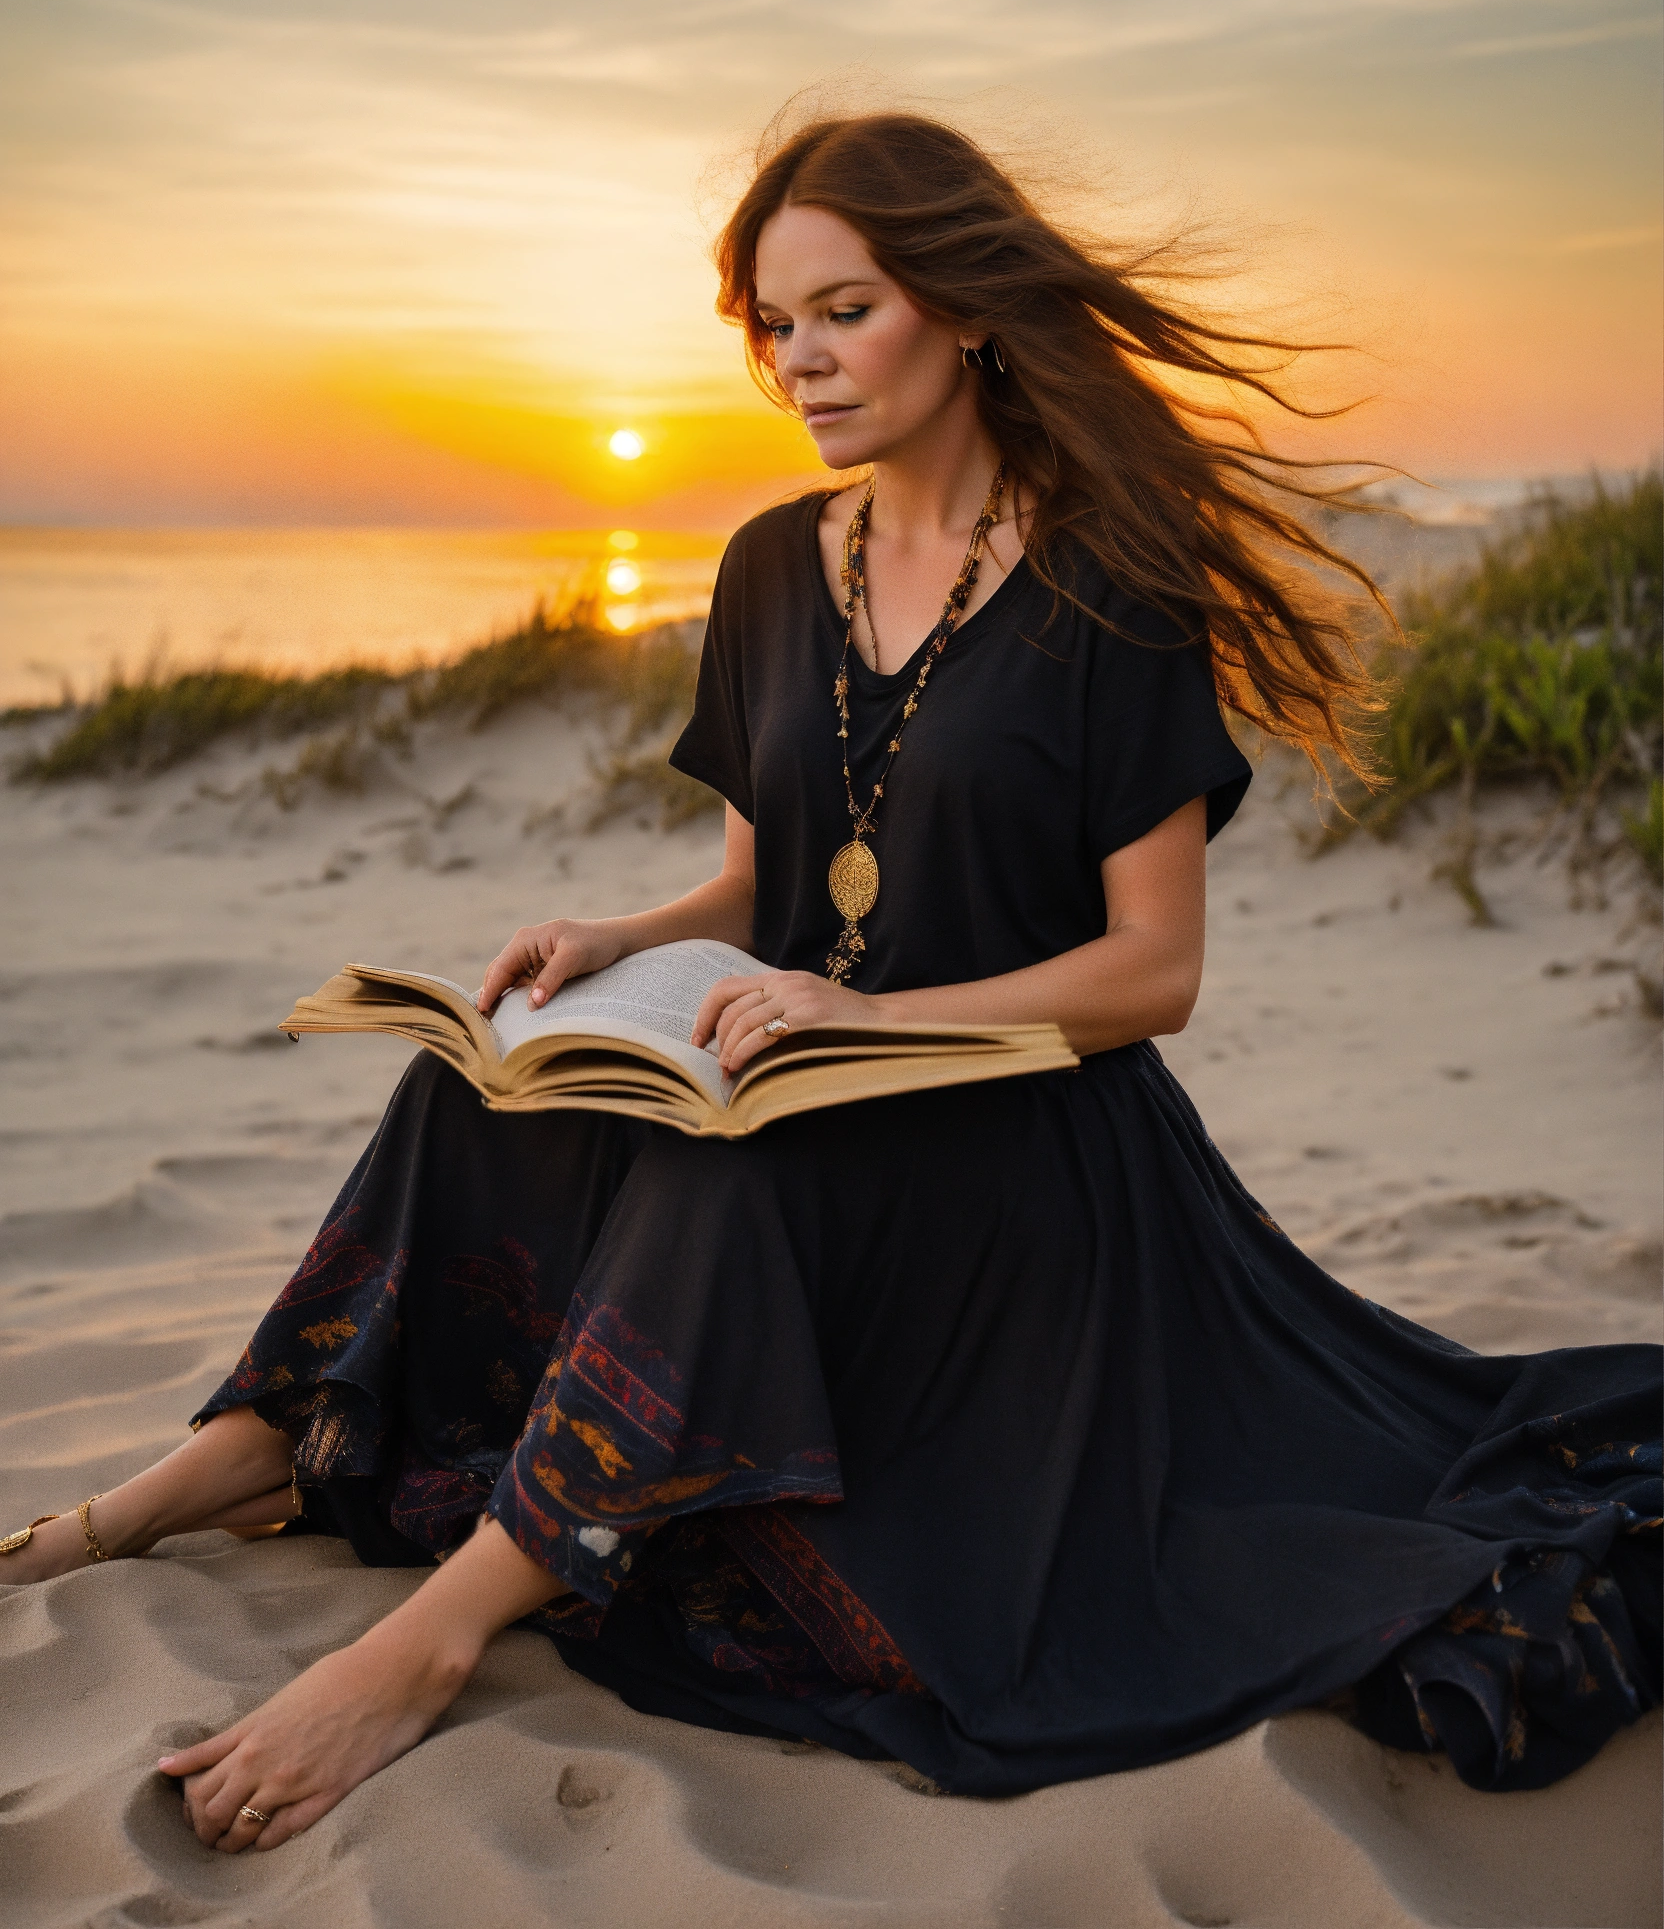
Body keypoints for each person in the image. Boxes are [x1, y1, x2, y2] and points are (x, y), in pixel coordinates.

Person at [3, 113, 1656, 1854]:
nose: (799, 359)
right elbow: (757, 878)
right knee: (474, 1086)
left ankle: (437, 1635)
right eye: (773, 323)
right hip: (788, 1063)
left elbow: (1154, 970)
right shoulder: (772, 565)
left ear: (965, 310)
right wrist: (616, 947)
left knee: (750, 1178)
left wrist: (874, 1018)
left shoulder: (1113, 578)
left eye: (843, 311)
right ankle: (246, 1451)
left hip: (1026, 1133)